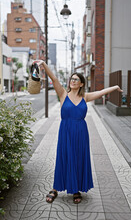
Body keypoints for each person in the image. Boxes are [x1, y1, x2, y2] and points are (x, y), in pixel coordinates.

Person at [34, 60, 123, 204]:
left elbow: (101, 92)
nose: (73, 81)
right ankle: (56, 188)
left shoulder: (85, 97)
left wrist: (115, 87)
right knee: (63, 157)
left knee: (78, 158)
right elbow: (54, 79)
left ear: (81, 83)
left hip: (81, 132)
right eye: (72, 79)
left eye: (76, 79)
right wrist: (43, 64)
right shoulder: (63, 94)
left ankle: (76, 189)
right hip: (66, 131)